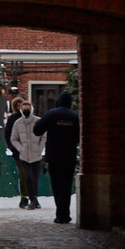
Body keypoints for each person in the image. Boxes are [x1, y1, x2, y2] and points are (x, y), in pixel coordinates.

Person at [38, 90, 81, 225]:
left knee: (56, 185)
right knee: (66, 185)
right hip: (69, 156)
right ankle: (64, 214)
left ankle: (60, 213)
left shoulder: (51, 114)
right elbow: (79, 136)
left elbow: (37, 130)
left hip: (54, 155)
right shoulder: (74, 117)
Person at [8, 103, 46, 209]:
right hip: (24, 156)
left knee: (35, 178)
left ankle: (34, 198)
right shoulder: (18, 123)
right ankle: (32, 199)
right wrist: (20, 148)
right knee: (28, 177)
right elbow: (13, 138)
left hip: (36, 155)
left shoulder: (38, 121)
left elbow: (43, 136)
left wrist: (39, 148)